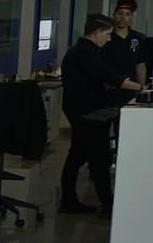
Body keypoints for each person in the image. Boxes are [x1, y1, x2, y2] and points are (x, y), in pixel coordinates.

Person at [59, 13, 141, 216]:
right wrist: (140, 87)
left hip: (83, 110)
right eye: (107, 34)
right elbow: (109, 77)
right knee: (98, 158)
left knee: (78, 154)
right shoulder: (85, 53)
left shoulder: (83, 51)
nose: (109, 38)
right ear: (96, 32)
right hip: (88, 113)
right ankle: (108, 206)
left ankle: (69, 201)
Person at [105, 0, 149, 89]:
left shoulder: (139, 38)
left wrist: (141, 88)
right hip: (109, 88)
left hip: (132, 88)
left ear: (131, 16)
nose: (123, 18)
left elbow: (140, 66)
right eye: (120, 13)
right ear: (114, 14)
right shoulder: (106, 37)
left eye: (127, 14)